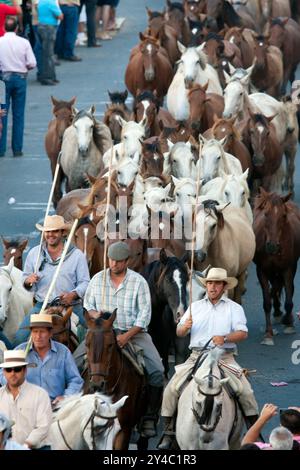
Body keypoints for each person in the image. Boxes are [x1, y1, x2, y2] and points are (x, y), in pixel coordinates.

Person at [158, 267, 259, 450]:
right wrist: (184, 327)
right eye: (210, 283)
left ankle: (255, 430)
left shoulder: (234, 308)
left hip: (224, 357)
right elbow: (179, 332)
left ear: (224, 286)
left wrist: (225, 338)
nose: (212, 287)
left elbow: (243, 333)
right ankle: (169, 431)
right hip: (197, 356)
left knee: (246, 391)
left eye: (217, 284)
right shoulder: (194, 307)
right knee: (171, 389)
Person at [84, 240, 164, 438]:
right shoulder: (97, 280)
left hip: (133, 333)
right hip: (102, 332)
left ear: (127, 261)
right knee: (77, 363)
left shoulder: (139, 282)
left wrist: (126, 336)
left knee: (157, 371)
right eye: (112, 260)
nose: (114, 264)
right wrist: (96, 316)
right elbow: (88, 306)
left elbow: (144, 315)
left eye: (119, 261)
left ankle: (149, 417)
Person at [14, 215, 90, 345]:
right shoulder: (34, 254)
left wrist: (73, 294)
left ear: (63, 232)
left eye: (55, 231)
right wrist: (28, 281)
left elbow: (85, 282)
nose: (51, 235)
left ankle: (81, 364)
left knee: (91, 336)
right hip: (42, 305)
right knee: (20, 338)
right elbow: (25, 280)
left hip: (70, 307)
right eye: (48, 231)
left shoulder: (77, 255)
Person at [1, 314, 83, 404]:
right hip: (25, 405)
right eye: (35, 332)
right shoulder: (20, 351)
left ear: (50, 333)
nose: (38, 336)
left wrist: (66, 397)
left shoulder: (63, 352)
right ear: (31, 333)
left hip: (55, 406)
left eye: (42, 332)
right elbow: (2, 374)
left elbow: (76, 380)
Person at [0, 350, 52, 449]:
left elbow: (43, 427)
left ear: (25, 370)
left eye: (17, 369)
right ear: (4, 372)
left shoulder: (40, 394)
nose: (13, 373)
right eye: (8, 369)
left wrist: (25, 446)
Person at [0, 16, 36, 158]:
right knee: (18, 114)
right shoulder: (24, 42)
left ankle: (1, 148)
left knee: (2, 113)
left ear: (4, 28)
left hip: (3, 78)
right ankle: (17, 149)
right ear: (16, 28)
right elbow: (32, 63)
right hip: (20, 78)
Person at [37, 0, 63, 85]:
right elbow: (60, 16)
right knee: (49, 54)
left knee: (46, 53)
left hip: (42, 25)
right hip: (49, 27)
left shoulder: (41, 2)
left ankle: (50, 76)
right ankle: (48, 77)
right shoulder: (50, 2)